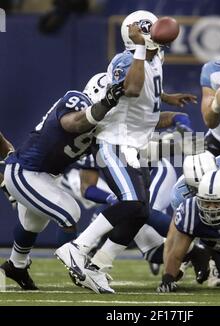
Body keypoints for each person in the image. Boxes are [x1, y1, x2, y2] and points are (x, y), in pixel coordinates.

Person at [55, 10, 197, 293]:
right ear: (136, 35)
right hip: (115, 141)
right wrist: (141, 47)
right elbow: (131, 89)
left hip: (136, 144)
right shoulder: (124, 60)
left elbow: (146, 89)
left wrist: (166, 97)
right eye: (146, 31)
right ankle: (77, 248)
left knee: (140, 212)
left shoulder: (156, 57)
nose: (152, 35)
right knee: (131, 203)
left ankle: (99, 265)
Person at [0, 73, 124, 292]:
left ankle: (16, 266)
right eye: (110, 99)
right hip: (26, 171)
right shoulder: (76, 99)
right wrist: (105, 104)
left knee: (33, 224)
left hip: (43, 176)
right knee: (69, 212)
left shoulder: (103, 125)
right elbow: (73, 123)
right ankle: (77, 267)